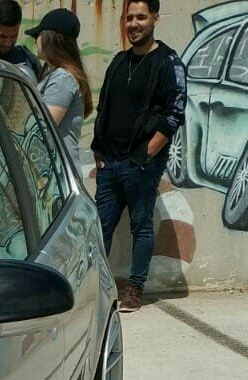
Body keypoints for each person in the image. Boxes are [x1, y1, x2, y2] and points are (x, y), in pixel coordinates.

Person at [90, 0, 186, 314]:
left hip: (140, 163)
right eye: (129, 18)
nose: (134, 24)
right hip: (109, 162)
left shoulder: (168, 62)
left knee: (141, 227)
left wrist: (147, 153)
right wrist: (98, 150)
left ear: (155, 18)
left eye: (141, 17)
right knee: (99, 228)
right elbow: (104, 107)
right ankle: (95, 288)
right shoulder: (120, 61)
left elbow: (175, 114)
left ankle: (135, 288)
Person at [27, 8, 91, 166]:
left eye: (38, 35)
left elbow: (42, 127)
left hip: (59, 174)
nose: (35, 40)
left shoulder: (63, 79)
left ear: (50, 38)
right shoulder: (54, 74)